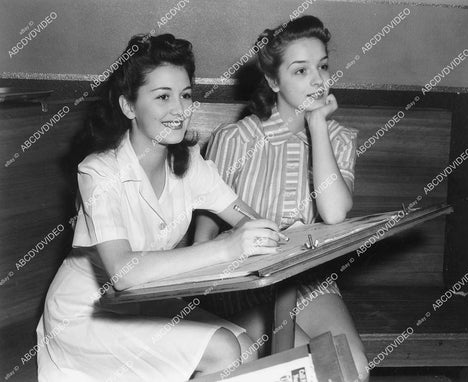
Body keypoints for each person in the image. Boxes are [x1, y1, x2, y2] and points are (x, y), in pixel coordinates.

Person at [36, 33, 283, 381]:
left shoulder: (191, 164)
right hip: (85, 316)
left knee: (245, 347)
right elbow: (123, 272)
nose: (180, 111)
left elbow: (249, 219)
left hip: (143, 305)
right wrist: (228, 245)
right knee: (226, 351)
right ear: (128, 106)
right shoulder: (98, 172)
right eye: (163, 97)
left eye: (185, 96)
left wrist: (282, 233)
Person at [195, 16, 369, 381]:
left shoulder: (339, 139)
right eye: (301, 70)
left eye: (322, 66)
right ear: (274, 81)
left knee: (353, 368)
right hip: (243, 284)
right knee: (303, 370)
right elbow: (203, 237)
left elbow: (335, 212)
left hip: (307, 281)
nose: (318, 80)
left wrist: (318, 124)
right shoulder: (235, 139)